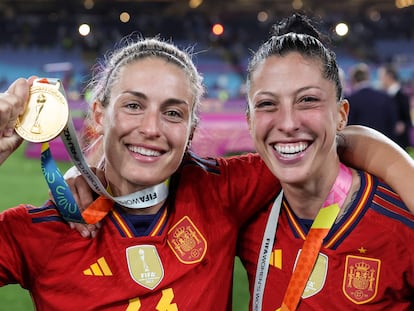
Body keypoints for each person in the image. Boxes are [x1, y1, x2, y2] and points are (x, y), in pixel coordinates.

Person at [1, 36, 414, 311]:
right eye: (132, 105)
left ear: (192, 130)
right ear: (98, 114)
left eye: (174, 113)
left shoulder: (222, 190)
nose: (151, 128)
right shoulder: (40, 231)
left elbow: (325, 142)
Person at [238, 14, 414, 310]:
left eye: (308, 100)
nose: (288, 122)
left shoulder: (402, 225)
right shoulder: (242, 214)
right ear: (249, 121)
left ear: (342, 114)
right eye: (267, 104)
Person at [347, 62, 398, 141]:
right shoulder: (385, 97)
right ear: (368, 77)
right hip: (384, 144)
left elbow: (348, 128)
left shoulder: (350, 100)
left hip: (360, 146)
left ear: (353, 79)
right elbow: (392, 124)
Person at [378, 63, 412, 150]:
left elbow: (408, 120)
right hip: (389, 142)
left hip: (400, 144)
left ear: (389, 76)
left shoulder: (402, 96)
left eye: (381, 76)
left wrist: (403, 125)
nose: (380, 80)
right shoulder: (384, 96)